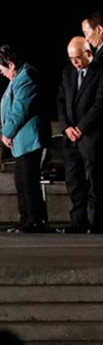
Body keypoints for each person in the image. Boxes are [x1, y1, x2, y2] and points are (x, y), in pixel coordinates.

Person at [0, 45, 49, 233]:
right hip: (21, 140)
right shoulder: (17, 78)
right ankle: (25, 218)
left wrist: (7, 132)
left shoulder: (26, 78)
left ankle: (35, 220)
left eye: (2, 69)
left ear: (10, 64)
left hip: (29, 138)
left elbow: (20, 110)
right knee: (21, 179)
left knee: (28, 179)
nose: (2, 73)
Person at [57, 37, 103, 233]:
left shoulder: (100, 72)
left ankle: (96, 222)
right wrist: (66, 127)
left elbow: (100, 103)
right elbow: (60, 101)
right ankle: (77, 222)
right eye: (71, 58)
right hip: (71, 137)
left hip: (90, 136)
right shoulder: (67, 73)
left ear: (88, 54)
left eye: (77, 58)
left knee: (94, 179)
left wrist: (81, 127)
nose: (74, 62)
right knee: (73, 179)